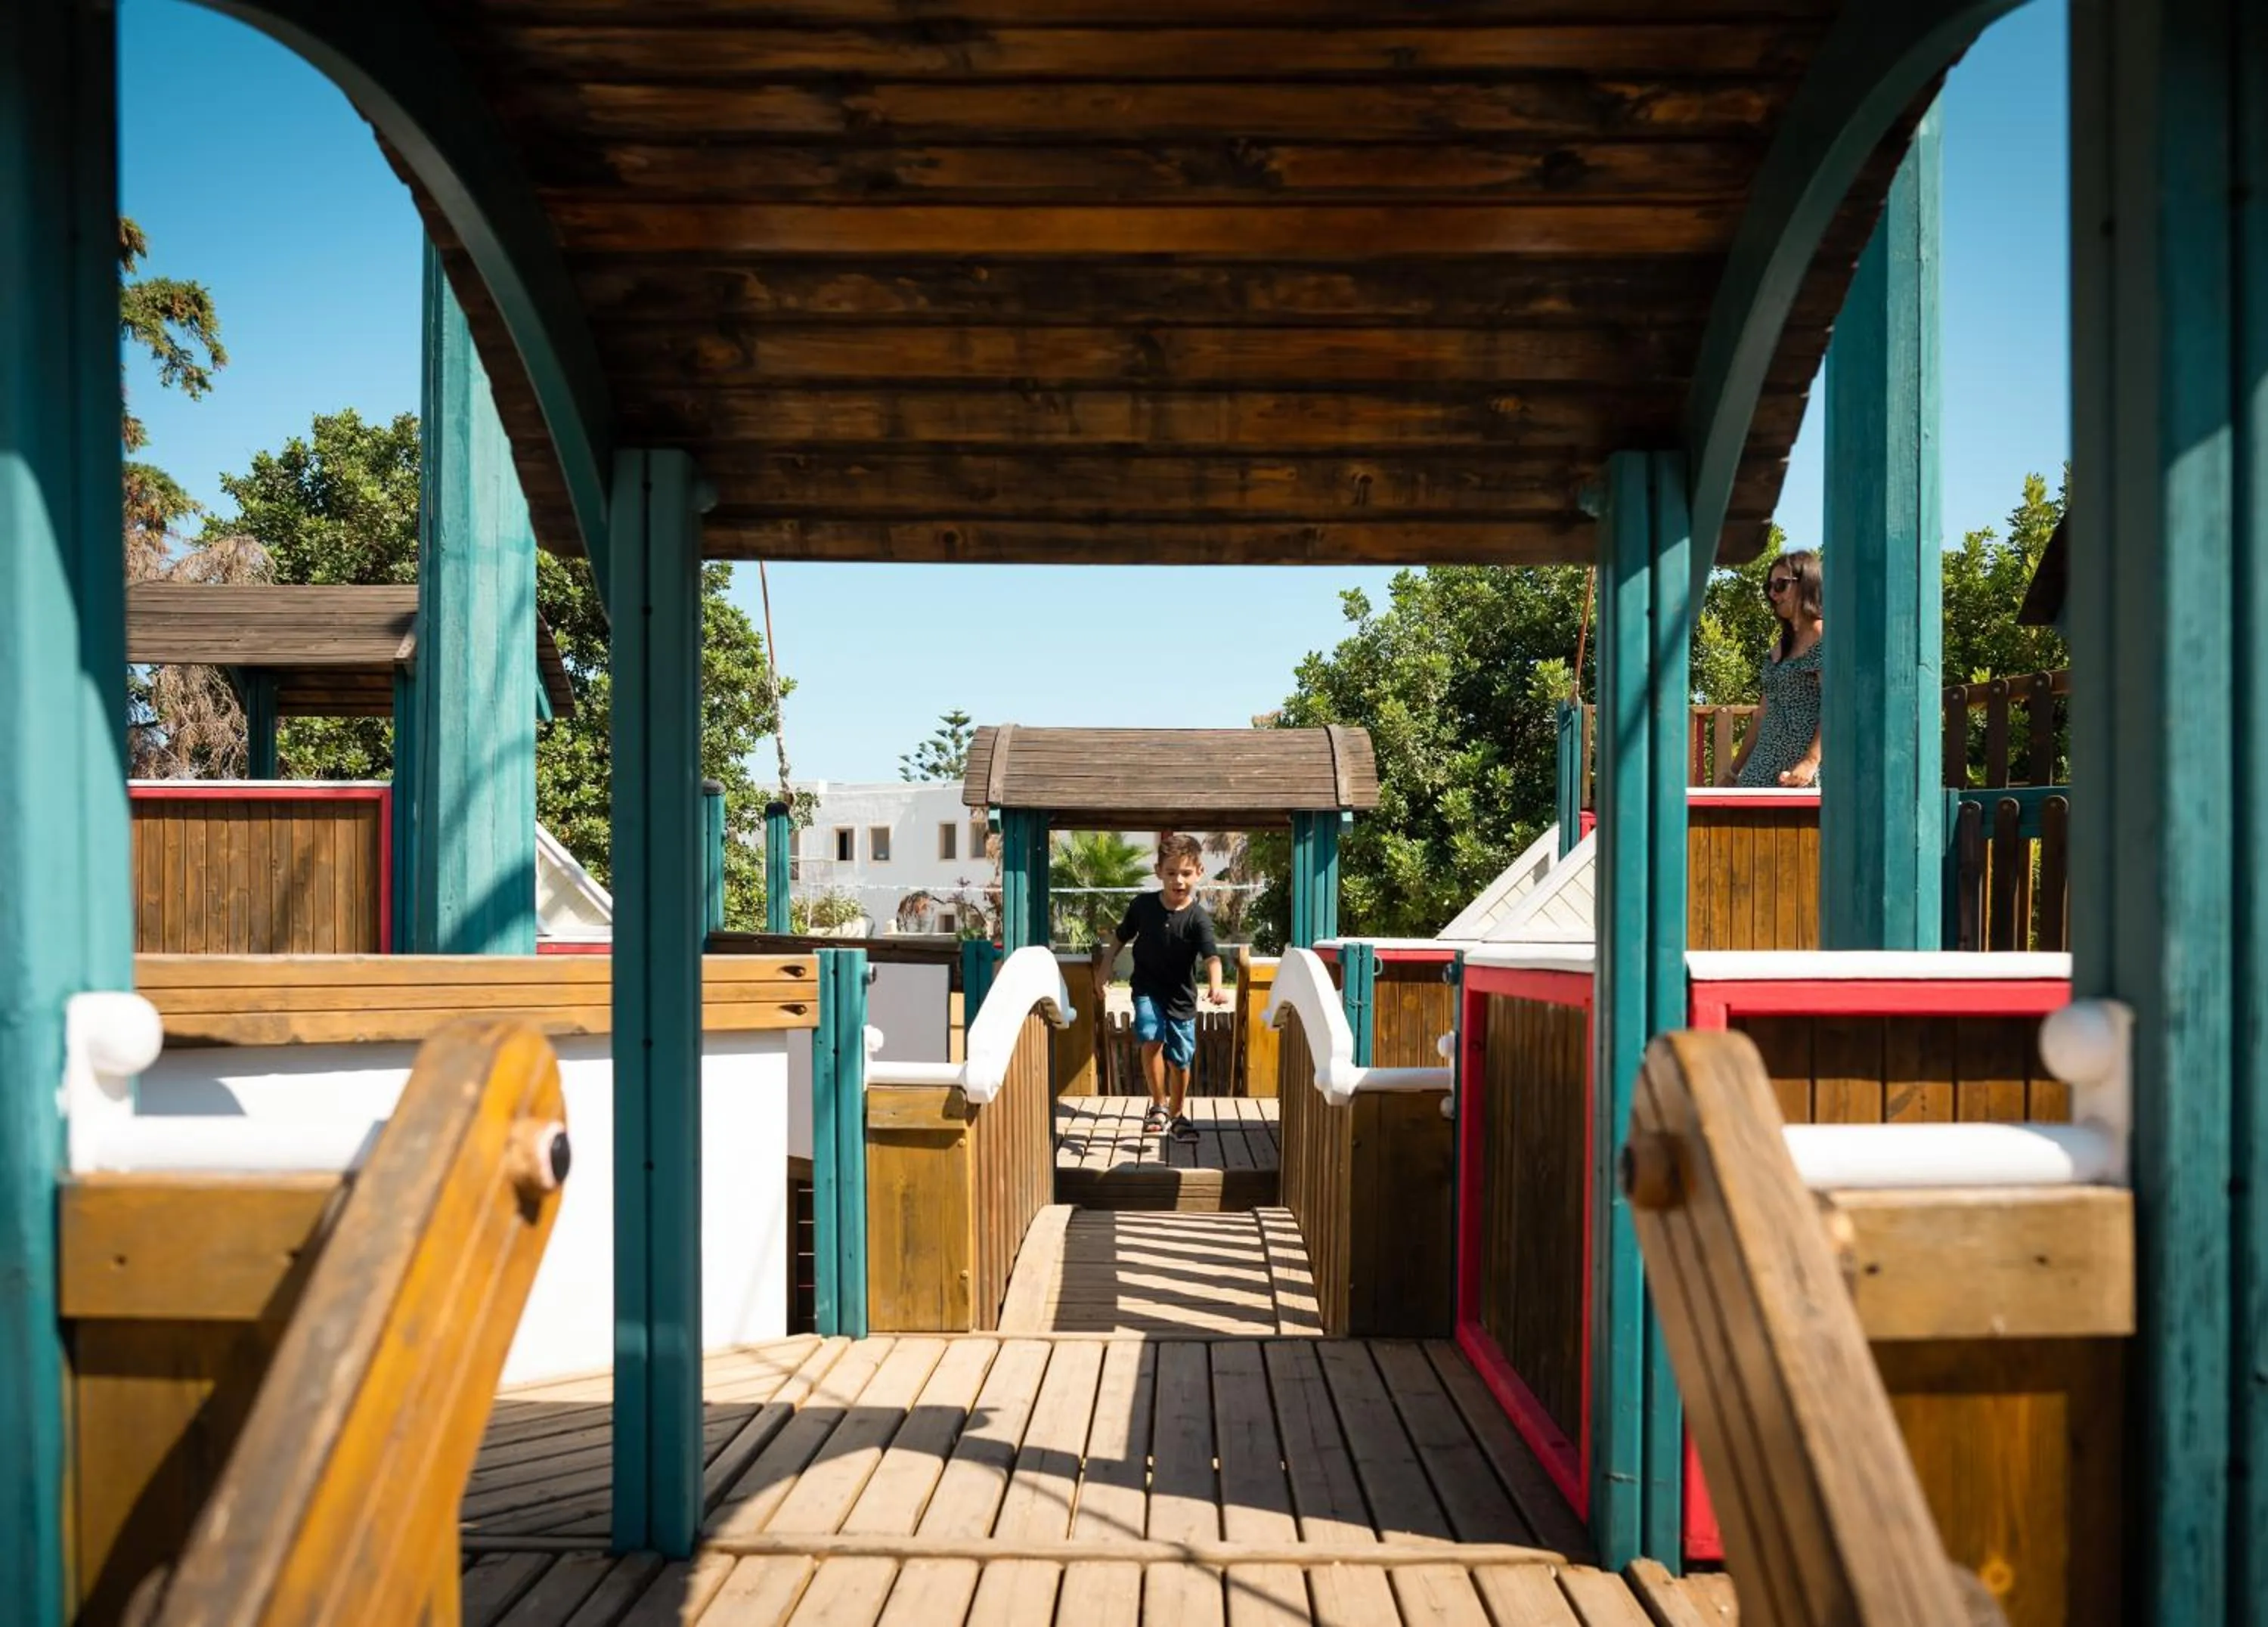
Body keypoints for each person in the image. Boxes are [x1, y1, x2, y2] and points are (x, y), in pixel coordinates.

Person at [1092, 832, 1227, 1143]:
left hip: (1181, 996)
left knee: (1180, 1060)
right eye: (1171, 873)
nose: (1178, 880)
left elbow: (1213, 958)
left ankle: (1178, 1115)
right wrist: (1104, 970)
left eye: (1185, 873)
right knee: (1151, 1038)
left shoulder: (1198, 919)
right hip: (1147, 989)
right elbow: (1120, 939)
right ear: (1158, 872)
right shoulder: (1142, 906)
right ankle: (1158, 1106)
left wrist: (1217, 987)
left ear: (1199, 873)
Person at [1732, 547, 1825, 789]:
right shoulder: (1780, 647)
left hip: (1799, 778)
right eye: (1769, 587)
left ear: (1806, 584)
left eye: (1781, 585)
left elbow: (1837, 707)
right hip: (1759, 774)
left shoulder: (1824, 638)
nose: (1773, 594)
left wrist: (1810, 761)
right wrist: (1733, 773)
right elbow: (1762, 715)